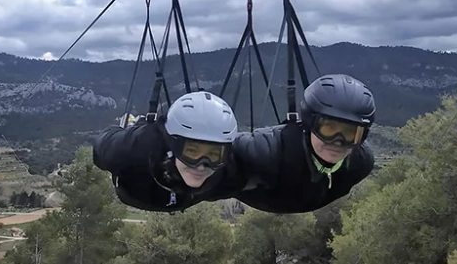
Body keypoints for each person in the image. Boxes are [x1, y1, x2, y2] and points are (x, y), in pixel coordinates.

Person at [234, 74, 376, 213]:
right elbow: (221, 158)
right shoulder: (263, 154)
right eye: (329, 128)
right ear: (309, 123)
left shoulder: (361, 163)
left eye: (349, 133)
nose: (338, 141)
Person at [92, 91, 244, 212]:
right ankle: (137, 123)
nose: (201, 165)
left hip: (183, 198)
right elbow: (102, 144)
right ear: (173, 145)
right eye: (192, 152)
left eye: (213, 155)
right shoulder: (132, 150)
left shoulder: (231, 170)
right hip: (134, 188)